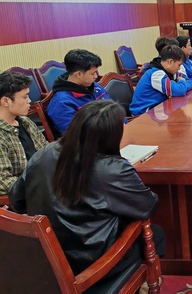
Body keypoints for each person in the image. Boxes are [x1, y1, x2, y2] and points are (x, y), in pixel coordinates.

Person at [9, 100, 165, 276]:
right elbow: (147, 206)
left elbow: (17, 199)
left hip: (46, 257)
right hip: (91, 263)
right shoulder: (111, 168)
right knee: (156, 234)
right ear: (111, 136)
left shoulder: (44, 153)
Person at [0, 71, 48, 194]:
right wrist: (39, 185)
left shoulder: (25, 122)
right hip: (27, 194)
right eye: (25, 97)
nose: (29, 101)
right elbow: (3, 181)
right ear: (5, 101)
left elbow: (47, 151)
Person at [48, 49, 110, 135]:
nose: (96, 76)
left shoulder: (94, 86)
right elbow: (76, 135)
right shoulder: (62, 102)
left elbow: (113, 111)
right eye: (93, 73)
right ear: (79, 74)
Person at [130, 45, 192, 116]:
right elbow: (179, 91)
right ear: (171, 62)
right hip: (143, 113)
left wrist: (180, 84)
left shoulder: (169, 71)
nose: (179, 68)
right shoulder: (156, 74)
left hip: (158, 109)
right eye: (179, 65)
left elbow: (190, 82)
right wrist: (181, 82)